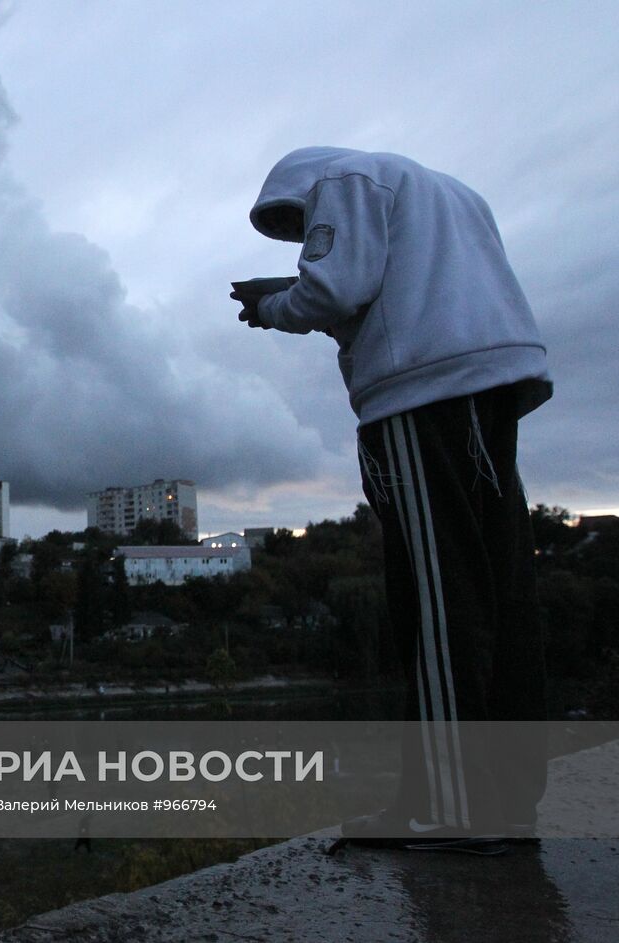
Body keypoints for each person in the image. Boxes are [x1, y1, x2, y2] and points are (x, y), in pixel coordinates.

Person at [235, 147, 551, 848]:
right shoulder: (450, 190)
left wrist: (272, 305)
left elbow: (332, 289)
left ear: (294, 186)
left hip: (417, 391)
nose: (297, 232)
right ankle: (507, 803)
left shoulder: (338, 182)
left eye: (292, 223)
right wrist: (291, 288)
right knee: (501, 587)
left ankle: (449, 804)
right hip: (492, 378)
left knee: (438, 595)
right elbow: (398, 281)